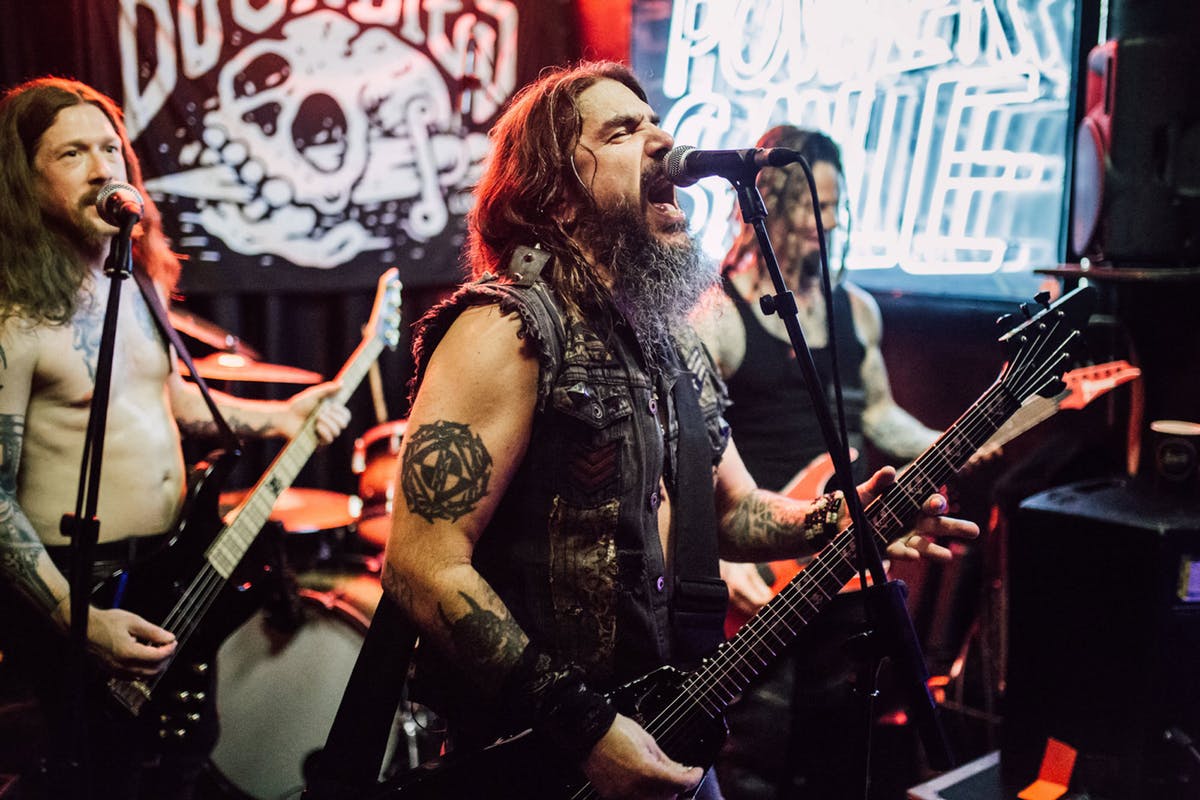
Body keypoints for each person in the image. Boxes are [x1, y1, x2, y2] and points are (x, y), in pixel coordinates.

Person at [382, 61, 977, 800]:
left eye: (656, 123)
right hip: (542, 758)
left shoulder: (671, 343)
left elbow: (732, 511)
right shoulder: (503, 329)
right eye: (622, 132)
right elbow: (422, 565)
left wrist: (847, 519)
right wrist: (585, 728)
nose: (662, 142)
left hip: (667, 730)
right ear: (555, 195)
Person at [0, 77, 352, 799]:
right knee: (99, 779)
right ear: (23, 181)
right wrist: (75, 618)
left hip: (172, 568)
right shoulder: (15, 319)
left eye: (110, 148)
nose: (102, 168)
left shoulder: (134, 283)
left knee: (184, 762)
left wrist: (280, 416)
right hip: (82, 586)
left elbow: (161, 395)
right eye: (71, 153)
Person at [691, 126, 949, 797]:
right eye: (815, 206)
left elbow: (879, 414)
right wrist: (722, 558)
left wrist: (961, 439)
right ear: (767, 206)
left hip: (846, 561)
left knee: (842, 754)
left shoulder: (855, 310)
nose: (829, 222)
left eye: (836, 206)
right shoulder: (717, 314)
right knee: (754, 758)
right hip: (763, 569)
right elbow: (692, 451)